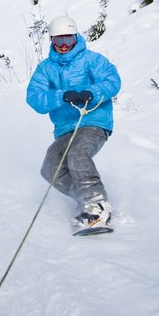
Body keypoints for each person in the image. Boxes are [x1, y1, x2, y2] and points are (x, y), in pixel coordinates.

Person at [26, 15, 121, 230]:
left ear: (76, 38)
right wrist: (61, 96)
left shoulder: (91, 60)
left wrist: (92, 92)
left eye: (68, 40)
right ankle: (86, 201)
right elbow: (34, 98)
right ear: (51, 41)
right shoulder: (46, 69)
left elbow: (113, 80)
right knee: (50, 168)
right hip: (66, 128)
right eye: (58, 41)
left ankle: (97, 204)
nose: (63, 46)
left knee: (77, 154)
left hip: (94, 120)